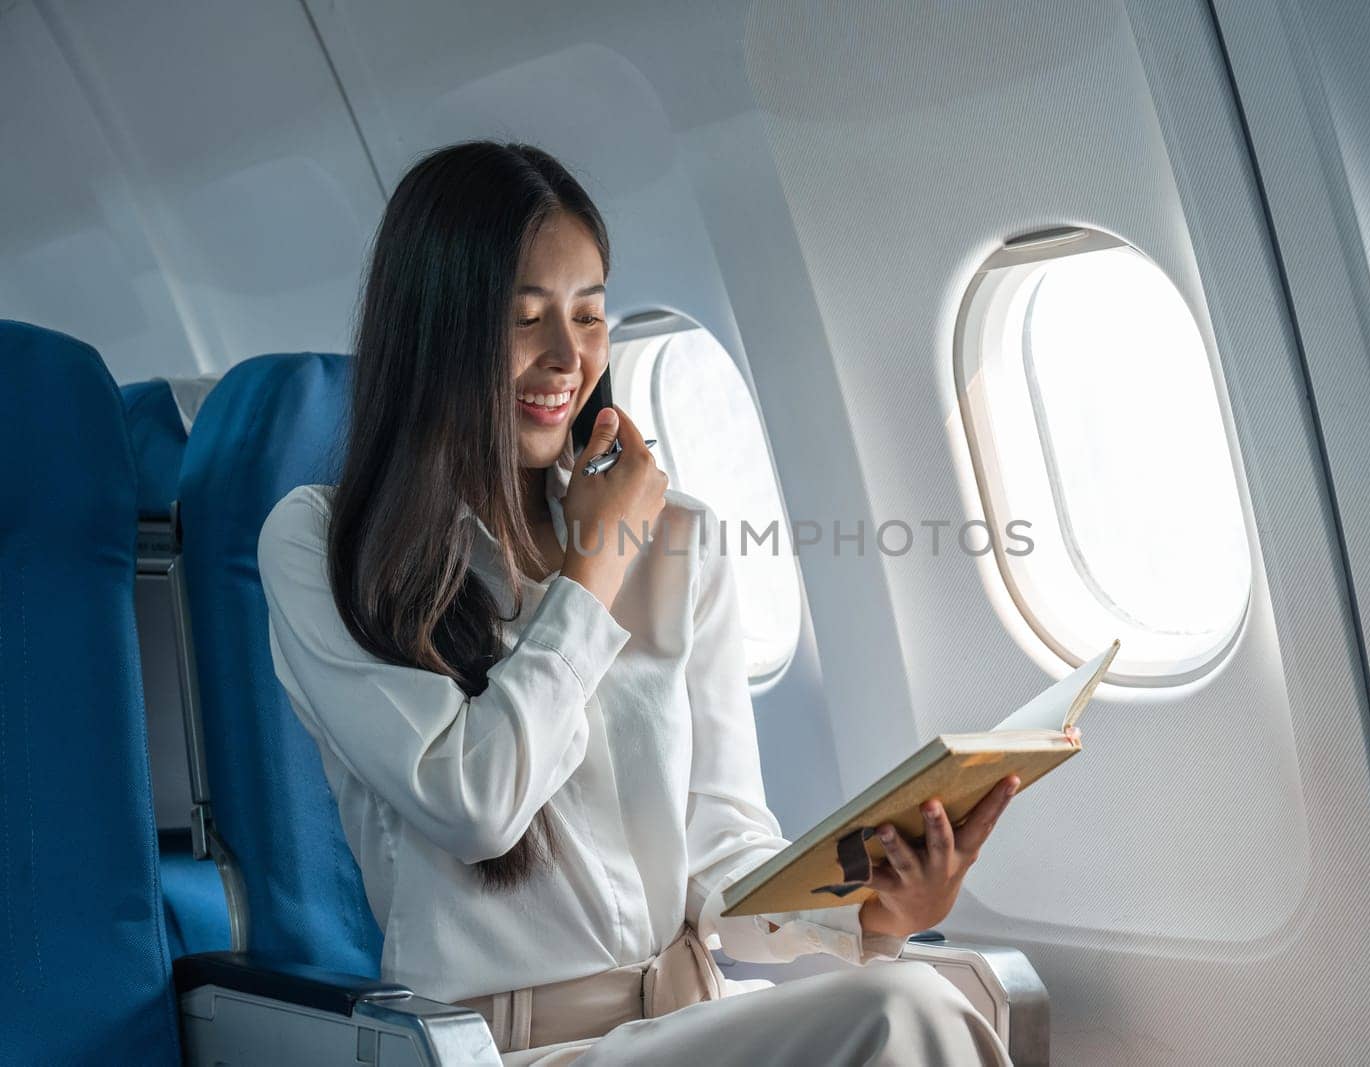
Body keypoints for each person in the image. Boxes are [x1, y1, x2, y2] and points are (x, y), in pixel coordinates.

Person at [256, 140, 1026, 1065]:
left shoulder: (679, 536)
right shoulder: (327, 544)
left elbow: (720, 844)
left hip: (689, 1019)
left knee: (908, 986)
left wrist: (868, 908)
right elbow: (473, 804)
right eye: (524, 318)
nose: (566, 359)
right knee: (904, 1013)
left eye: (588, 316)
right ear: (439, 330)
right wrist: (596, 564)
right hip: (499, 1052)